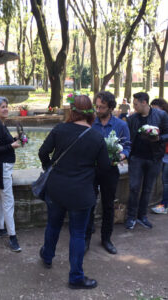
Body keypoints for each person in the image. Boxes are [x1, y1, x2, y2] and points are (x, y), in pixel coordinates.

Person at [38, 95, 110, 289]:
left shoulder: (60, 129)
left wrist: (50, 167)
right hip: (81, 192)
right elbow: (105, 167)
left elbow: (42, 152)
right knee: (77, 233)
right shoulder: (97, 137)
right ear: (90, 113)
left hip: (56, 188)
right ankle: (76, 277)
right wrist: (89, 174)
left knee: (53, 225)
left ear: (72, 111)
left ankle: (47, 256)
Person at [85, 91, 130, 255]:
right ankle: (86, 238)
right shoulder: (90, 123)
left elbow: (127, 146)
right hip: (91, 170)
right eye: (96, 106)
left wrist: (123, 154)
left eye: (102, 107)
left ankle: (106, 239)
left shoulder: (121, 125)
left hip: (110, 170)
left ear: (110, 107)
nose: (98, 110)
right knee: (88, 203)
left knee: (108, 205)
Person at [125, 92, 168, 230]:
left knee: (148, 189)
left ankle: (142, 216)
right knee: (134, 188)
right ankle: (131, 217)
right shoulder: (132, 119)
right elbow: (128, 138)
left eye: (136, 103)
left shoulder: (161, 115)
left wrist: (159, 138)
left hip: (154, 158)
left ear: (144, 103)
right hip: (136, 158)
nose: (134, 106)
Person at [0, 96, 22, 252]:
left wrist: (15, 139)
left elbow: (2, 142)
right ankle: (12, 237)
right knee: (8, 202)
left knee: (0, 199)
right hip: (2, 169)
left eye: (6, 106)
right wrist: (12, 146)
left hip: (2, 168)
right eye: (2, 107)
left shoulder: (0, 124)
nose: (6, 108)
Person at [150, 99, 168, 214]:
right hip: (163, 154)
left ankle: (164, 205)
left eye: (156, 109)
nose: (154, 112)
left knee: (165, 181)